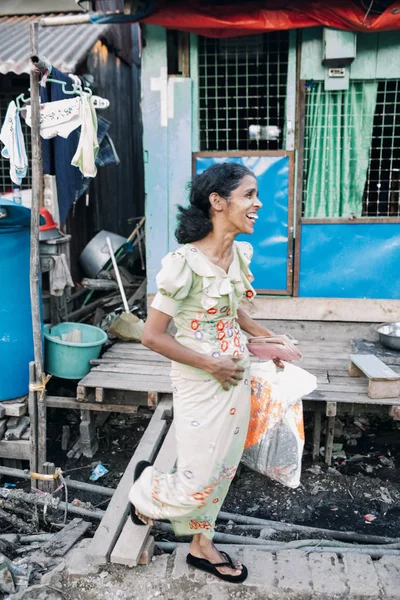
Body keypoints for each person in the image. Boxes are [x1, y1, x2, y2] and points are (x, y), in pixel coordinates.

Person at [129, 162, 278, 583]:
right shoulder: (183, 264)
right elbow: (153, 336)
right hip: (201, 380)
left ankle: (200, 545)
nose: (257, 203)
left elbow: (235, 310)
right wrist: (211, 363)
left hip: (236, 375)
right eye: (248, 195)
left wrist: (271, 340)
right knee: (198, 477)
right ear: (218, 202)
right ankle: (145, 493)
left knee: (225, 468)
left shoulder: (237, 253)